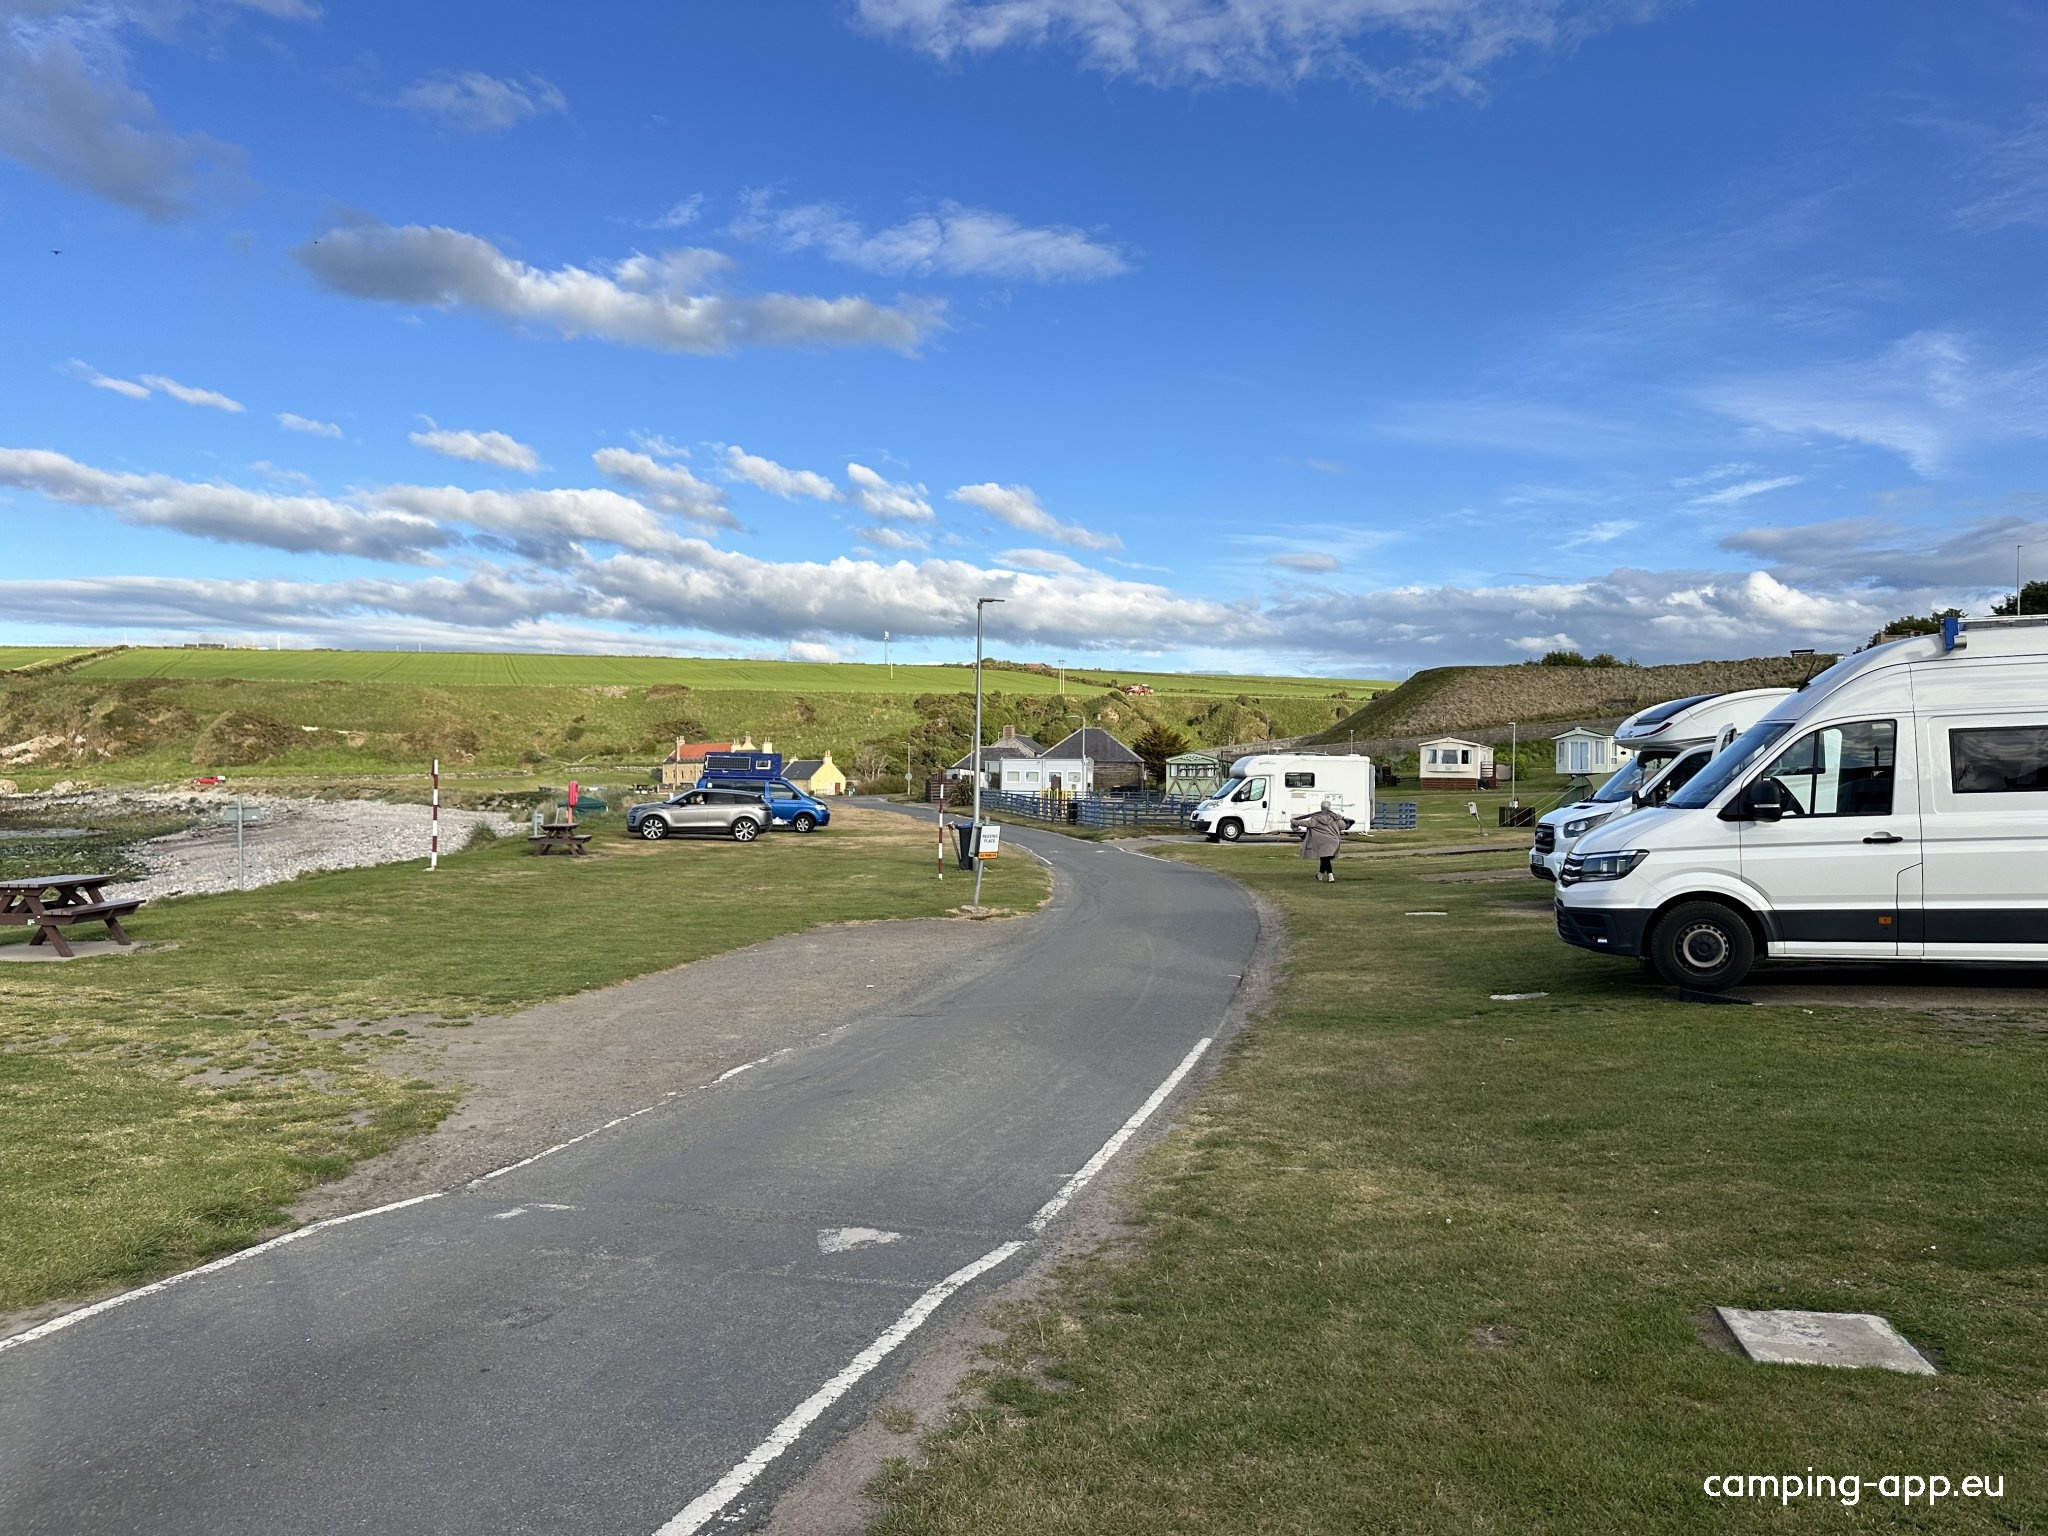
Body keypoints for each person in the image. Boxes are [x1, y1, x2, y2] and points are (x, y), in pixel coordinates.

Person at [1293, 798, 1349, 883]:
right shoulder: (1335, 817)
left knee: (1325, 858)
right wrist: (1341, 819)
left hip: (1322, 841)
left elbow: (1309, 824)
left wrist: (1295, 822)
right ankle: (1320, 875)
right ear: (1329, 807)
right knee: (1325, 858)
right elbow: (1343, 826)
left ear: (1321, 807)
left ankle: (1331, 877)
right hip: (1333, 840)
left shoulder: (1316, 817)